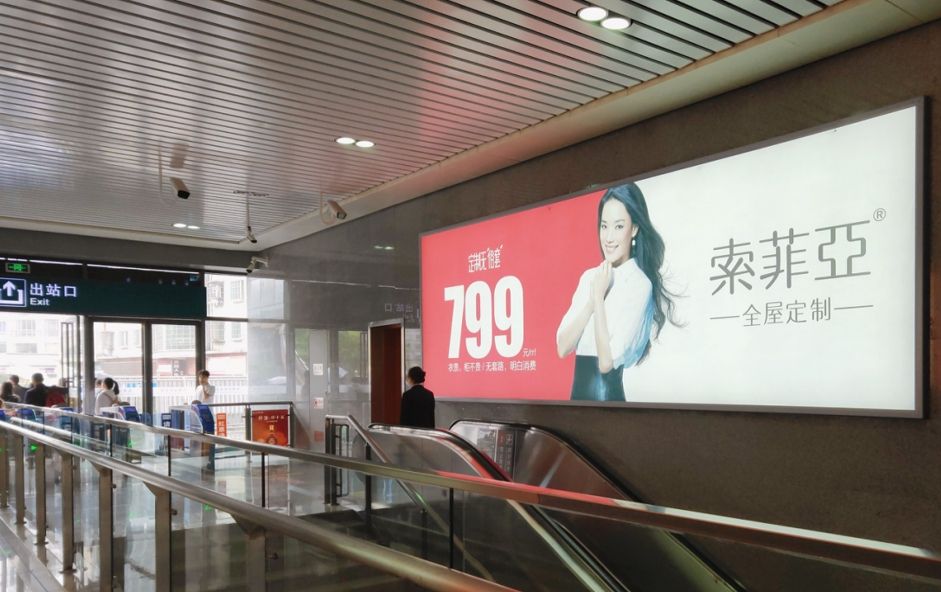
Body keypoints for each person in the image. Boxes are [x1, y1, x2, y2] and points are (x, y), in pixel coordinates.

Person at [556, 182, 675, 402]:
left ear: (634, 229)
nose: (609, 237)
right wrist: (591, 302)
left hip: (609, 403)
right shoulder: (590, 277)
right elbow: (562, 347)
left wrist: (598, 300)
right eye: (604, 226)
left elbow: (606, 363)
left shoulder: (639, 284)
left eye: (619, 227)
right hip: (576, 404)